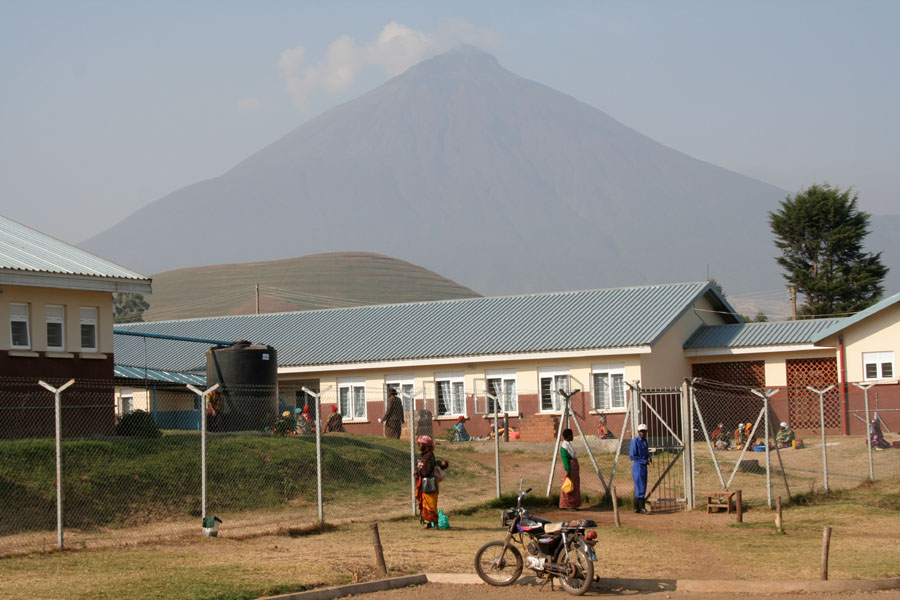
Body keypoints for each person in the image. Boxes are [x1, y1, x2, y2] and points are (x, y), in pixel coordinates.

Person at [415, 435, 440, 528]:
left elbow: (425, 471)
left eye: (421, 444)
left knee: (431, 505)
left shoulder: (428, 456)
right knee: (426, 504)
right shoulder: (425, 455)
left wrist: (418, 472)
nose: (419, 446)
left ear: (427, 446)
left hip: (429, 483)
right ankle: (430, 523)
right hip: (425, 483)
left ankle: (435, 524)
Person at [630, 423, 651, 514]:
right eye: (641, 431)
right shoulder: (635, 441)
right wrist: (644, 461)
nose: (643, 433)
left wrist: (649, 457)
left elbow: (646, 453)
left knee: (642, 485)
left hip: (643, 466)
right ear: (638, 432)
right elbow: (632, 456)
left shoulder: (645, 441)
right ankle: (641, 508)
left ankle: (637, 507)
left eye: (644, 431)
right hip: (638, 466)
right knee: (640, 486)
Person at [559, 428, 581, 509]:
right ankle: (567, 504)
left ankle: (573, 504)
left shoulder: (568, 445)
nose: (573, 436)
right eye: (571, 435)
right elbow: (565, 459)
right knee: (568, 485)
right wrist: (568, 471)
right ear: (568, 436)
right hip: (569, 469)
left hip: (573, 470)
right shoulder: (564, 447)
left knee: (573, 486)